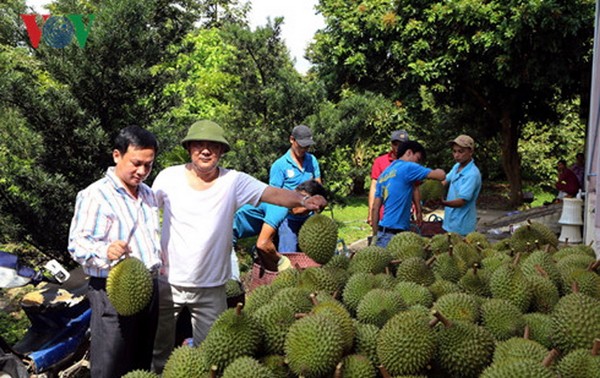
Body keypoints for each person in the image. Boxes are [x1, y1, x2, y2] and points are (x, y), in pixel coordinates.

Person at [151, 120, 327, 373]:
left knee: (210, 353)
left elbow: (272, 193)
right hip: (169, 281)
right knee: (159, 348)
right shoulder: (168, 178)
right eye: (198, 145)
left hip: (211, 286)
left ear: (222, 152)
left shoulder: (233, 181)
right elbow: (145, 211)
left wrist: (304, 199)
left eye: (213, 146)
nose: (205, 150)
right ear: (189, 148)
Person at [67, 126, 162, 378]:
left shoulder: (149, 194)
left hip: (149, 286)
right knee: (110, 365)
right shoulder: (95, 195)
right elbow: (77, 244)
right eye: (136, 163)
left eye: (148, 165)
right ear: (117, 155)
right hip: (112, 290)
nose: (142, 171)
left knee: (142, 363)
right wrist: (105, 250)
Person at [233, 179, 327, 271]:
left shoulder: (282, 200)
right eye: (309, 209)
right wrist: (282, 261)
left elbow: (264, 247)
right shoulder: (280, 207)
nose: (307, 214)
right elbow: (262, 244)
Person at [371, 140, 446, 248]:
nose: (418, 164)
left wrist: (375, 235)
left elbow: (375, 208)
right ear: (409, 153)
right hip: (396, 235)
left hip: (382, 233)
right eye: (418, 159)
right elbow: (440, 176)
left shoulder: (384, 174)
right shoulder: (408, 167)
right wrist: (440, 170)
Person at [269, 124, 322, 252]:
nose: (304, 149)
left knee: (312, 257)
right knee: (289, 257)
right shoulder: (280, 165)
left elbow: (318, 186)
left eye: (307, 146)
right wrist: (294, 208)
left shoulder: (312, 160)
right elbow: (273, 197)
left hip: (309, 218)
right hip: (288, 220)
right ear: (292, 140)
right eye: (301, 145)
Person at [441, 134, 482, 236]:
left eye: (461, 151)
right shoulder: (457, 167)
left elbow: (461, 202)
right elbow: (445, 181)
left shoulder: (472, 174)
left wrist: (442, 202)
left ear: (470, 152)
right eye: (454, 151)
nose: (456, 155)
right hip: (450, 222)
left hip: (462, 226)